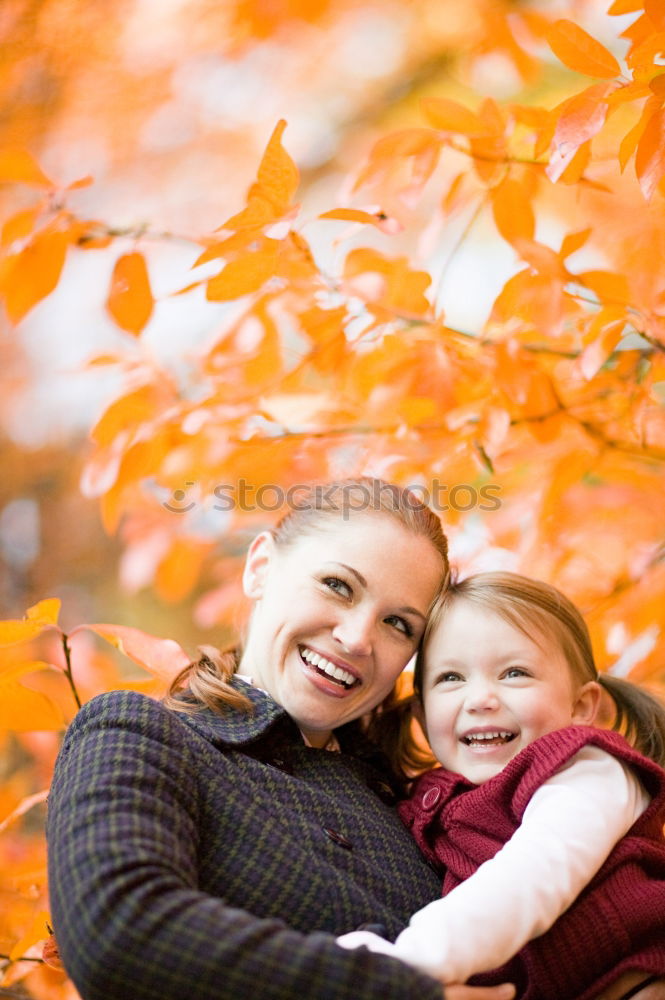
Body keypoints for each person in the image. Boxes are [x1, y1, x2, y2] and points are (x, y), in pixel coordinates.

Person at [46, 479, 516, 1000]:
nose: (357, 638)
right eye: (338, 586)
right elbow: (120, 933)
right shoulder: (143, 734)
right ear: (260, 568)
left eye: (398, 623)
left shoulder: (415, 809)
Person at [338, 571, 665, 1000]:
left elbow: (529, 878)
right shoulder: (424, 803)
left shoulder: (589, 769)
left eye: (514, 673)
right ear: (420, 713)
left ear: (581, 705)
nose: (480, 699)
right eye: (451, 678)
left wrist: (406, 963)